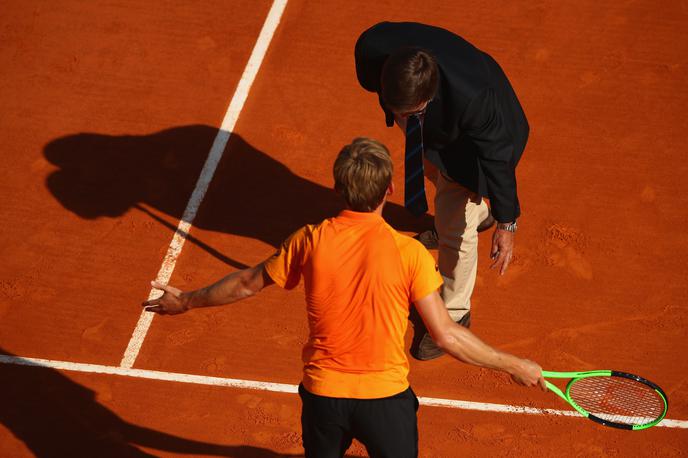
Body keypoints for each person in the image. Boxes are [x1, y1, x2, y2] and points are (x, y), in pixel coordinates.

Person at [143, 138, 545, 458]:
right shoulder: (411, 254)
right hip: (385, 401)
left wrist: (188, 301)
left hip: (323, 398)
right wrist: (513, 364)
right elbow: (445, 336)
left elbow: (246, 283)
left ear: (338, 188)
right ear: (389, 188)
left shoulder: (310, 240)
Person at [354, 21, 531, 360]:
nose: (404, 120)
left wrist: (508, 224)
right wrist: (409, 119)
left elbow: (497, 158)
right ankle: (480, 213)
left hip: (482, 144)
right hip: (441, 130)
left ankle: (454, 313)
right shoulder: (374, 50)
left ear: (430, 97)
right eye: (398, 113)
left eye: (413, 113)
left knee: (455, 223)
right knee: (432, 169)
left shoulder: (475, 101)